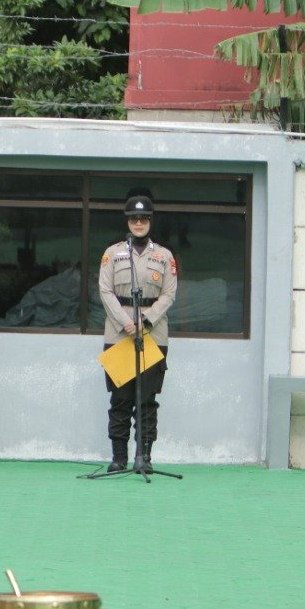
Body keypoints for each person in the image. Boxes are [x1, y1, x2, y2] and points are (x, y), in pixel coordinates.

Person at [97, 194, 178, 473]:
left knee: (147, 402)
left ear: (150, 221)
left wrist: (146, 320)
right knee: (120, 400)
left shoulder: (164, 256)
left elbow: (169, 294)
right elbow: (105, 291)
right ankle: (119, 458)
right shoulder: (112, 253)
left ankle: (144, 457)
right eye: (134, 218)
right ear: (128, 221)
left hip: (153, 334)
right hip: (120, 334)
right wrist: (126, 322)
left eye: (144, 218)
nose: (139, 223)